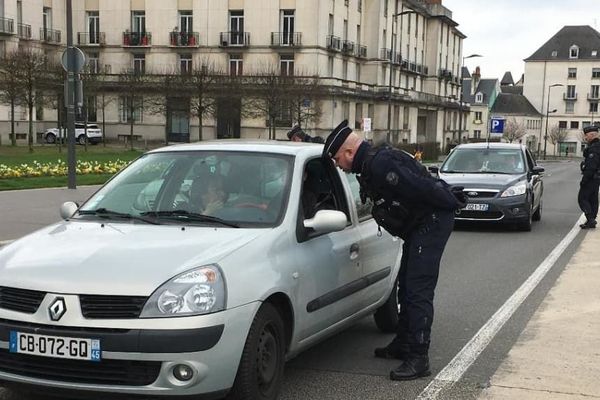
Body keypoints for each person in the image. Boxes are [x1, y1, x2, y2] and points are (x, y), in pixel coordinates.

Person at [322, 120, 466, 381]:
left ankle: (418, 358)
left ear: (349, 153)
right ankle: (403, 343)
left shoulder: (380, 165)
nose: (337, 166)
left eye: (336, 159)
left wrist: (451, 201)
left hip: (431, 222)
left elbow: (422, 187)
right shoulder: (370, 163)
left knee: (417, 290)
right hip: (419, 225)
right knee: (405, 284)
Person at [578, 124, 600, 229]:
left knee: (582, 198)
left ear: (591, 135)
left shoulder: (594, 148)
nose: (585, 138)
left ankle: (590, 219)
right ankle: (591, 220)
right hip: (597, 178)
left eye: (586, 135)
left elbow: (591, 166)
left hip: (592, 178)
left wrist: (584, 180)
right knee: (593, 199)